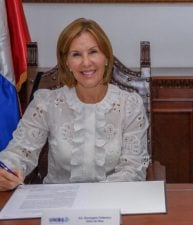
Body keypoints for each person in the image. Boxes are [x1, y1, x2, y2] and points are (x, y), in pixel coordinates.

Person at [0, 18, 150, 191]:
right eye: (76, 54)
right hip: (57, 204)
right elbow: (20, 152)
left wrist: (92, 198)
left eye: (93, 52)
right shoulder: (46, 103)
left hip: (112, 201)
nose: (86, 62)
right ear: (66, 63)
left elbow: (133, 169)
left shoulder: (129, 105)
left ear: (106, 57)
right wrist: (7, 170)